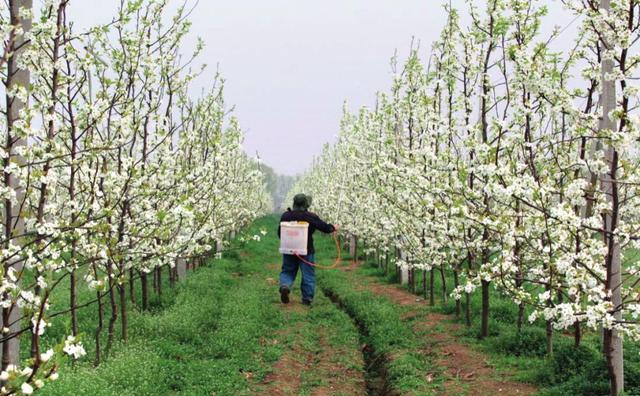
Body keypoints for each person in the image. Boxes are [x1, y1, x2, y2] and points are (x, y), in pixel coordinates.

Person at [277, 193, 336, 306]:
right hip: (306, 250)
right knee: (308, 274)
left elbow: (280, 233)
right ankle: (307, 298)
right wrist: (333, 228)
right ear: (306, 204)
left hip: (289, 249)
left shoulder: (286, 216)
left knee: (288, 270)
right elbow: (324, 227)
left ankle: (285, 285)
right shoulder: (310, 216)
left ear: (294, 203)